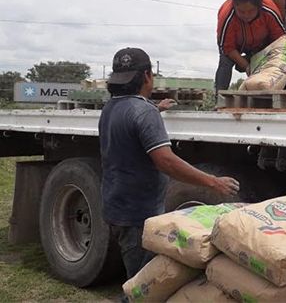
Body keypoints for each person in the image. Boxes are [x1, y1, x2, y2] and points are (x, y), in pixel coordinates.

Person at [99, 47, 240, 279]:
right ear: (147, 76)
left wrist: (156, 108)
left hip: (116, 207)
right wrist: (213, 182)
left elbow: (132, 125)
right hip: (138, 215)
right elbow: (166, 162)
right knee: (142, 283)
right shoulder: (143, 113)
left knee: (137, 275)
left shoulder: (111, 108)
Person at [214, 0, 286, 91]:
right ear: (235, 6)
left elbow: (280, 41)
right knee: (225, 63)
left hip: (262, 44)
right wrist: (247, 66)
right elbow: (228, 48)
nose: (246, 15)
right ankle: (219, 98)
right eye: (241, 12)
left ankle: (278, 97)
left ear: (259, 6)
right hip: (235, 46)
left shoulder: (270, 11)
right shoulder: (227, 16)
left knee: (279, 63)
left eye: (251, 11)